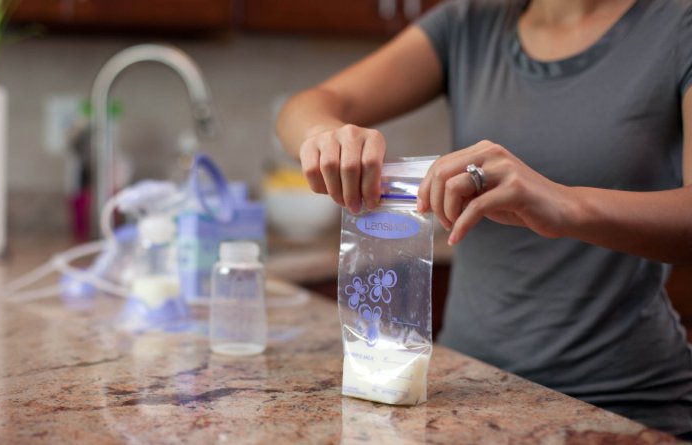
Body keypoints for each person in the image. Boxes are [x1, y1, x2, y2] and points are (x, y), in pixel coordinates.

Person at [275, 0, 692, 437]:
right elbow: (305, 106)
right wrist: (322, 135)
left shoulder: (677, 23)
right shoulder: (470, 23)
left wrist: (564, 205)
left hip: (622, 403)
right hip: (473, 393)